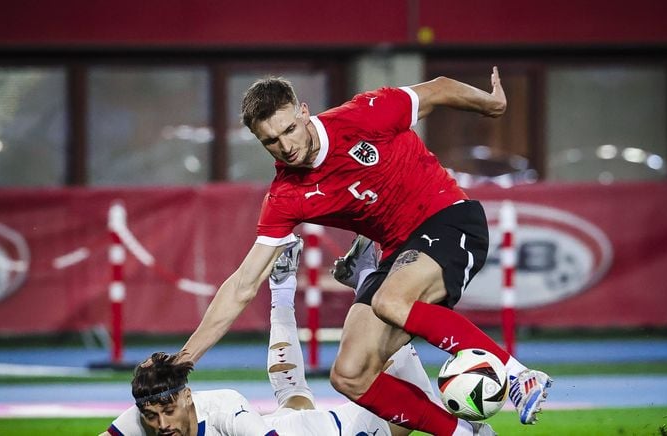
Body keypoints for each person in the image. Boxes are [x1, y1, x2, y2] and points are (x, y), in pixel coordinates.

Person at [178, 68, 551, 435]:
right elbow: (244, 283)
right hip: (397, 253)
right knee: (349, 374)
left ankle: (520, 378)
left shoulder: (365, 114)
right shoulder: (286, 196)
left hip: (449, 218)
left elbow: (438, 90)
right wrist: (183, 361)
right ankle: (464, 433)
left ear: (303, 112)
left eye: (289, 129)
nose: (286, 146)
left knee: (390, 300)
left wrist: (491, 105)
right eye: (271, 141)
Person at [102, 239, 496, 436]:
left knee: (406, 398)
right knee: (291, 396)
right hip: (295, 424)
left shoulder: (223, 408)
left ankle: (367, 279)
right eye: (151, 418)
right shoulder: (150, 412)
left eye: (165, 412)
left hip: (342, 431)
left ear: (186, 396)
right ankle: (286, 282)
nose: (160, 424)